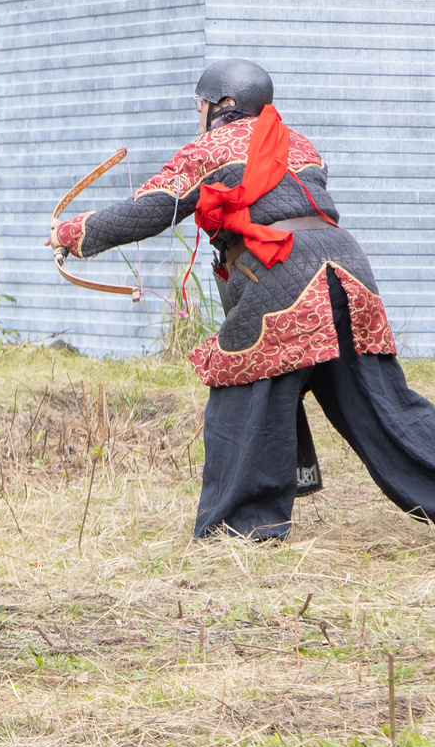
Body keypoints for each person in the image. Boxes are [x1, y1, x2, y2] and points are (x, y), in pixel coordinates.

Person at [52, 57, 435, 538]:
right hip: (349, 270)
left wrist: (74, 232)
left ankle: (243, 529)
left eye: (202, 105)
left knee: (247, 394)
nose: (199, 115)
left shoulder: (211, 148)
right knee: (385, 405)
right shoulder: (301, 144)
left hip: (283, 272)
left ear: (226, 104)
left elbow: (150, 209)